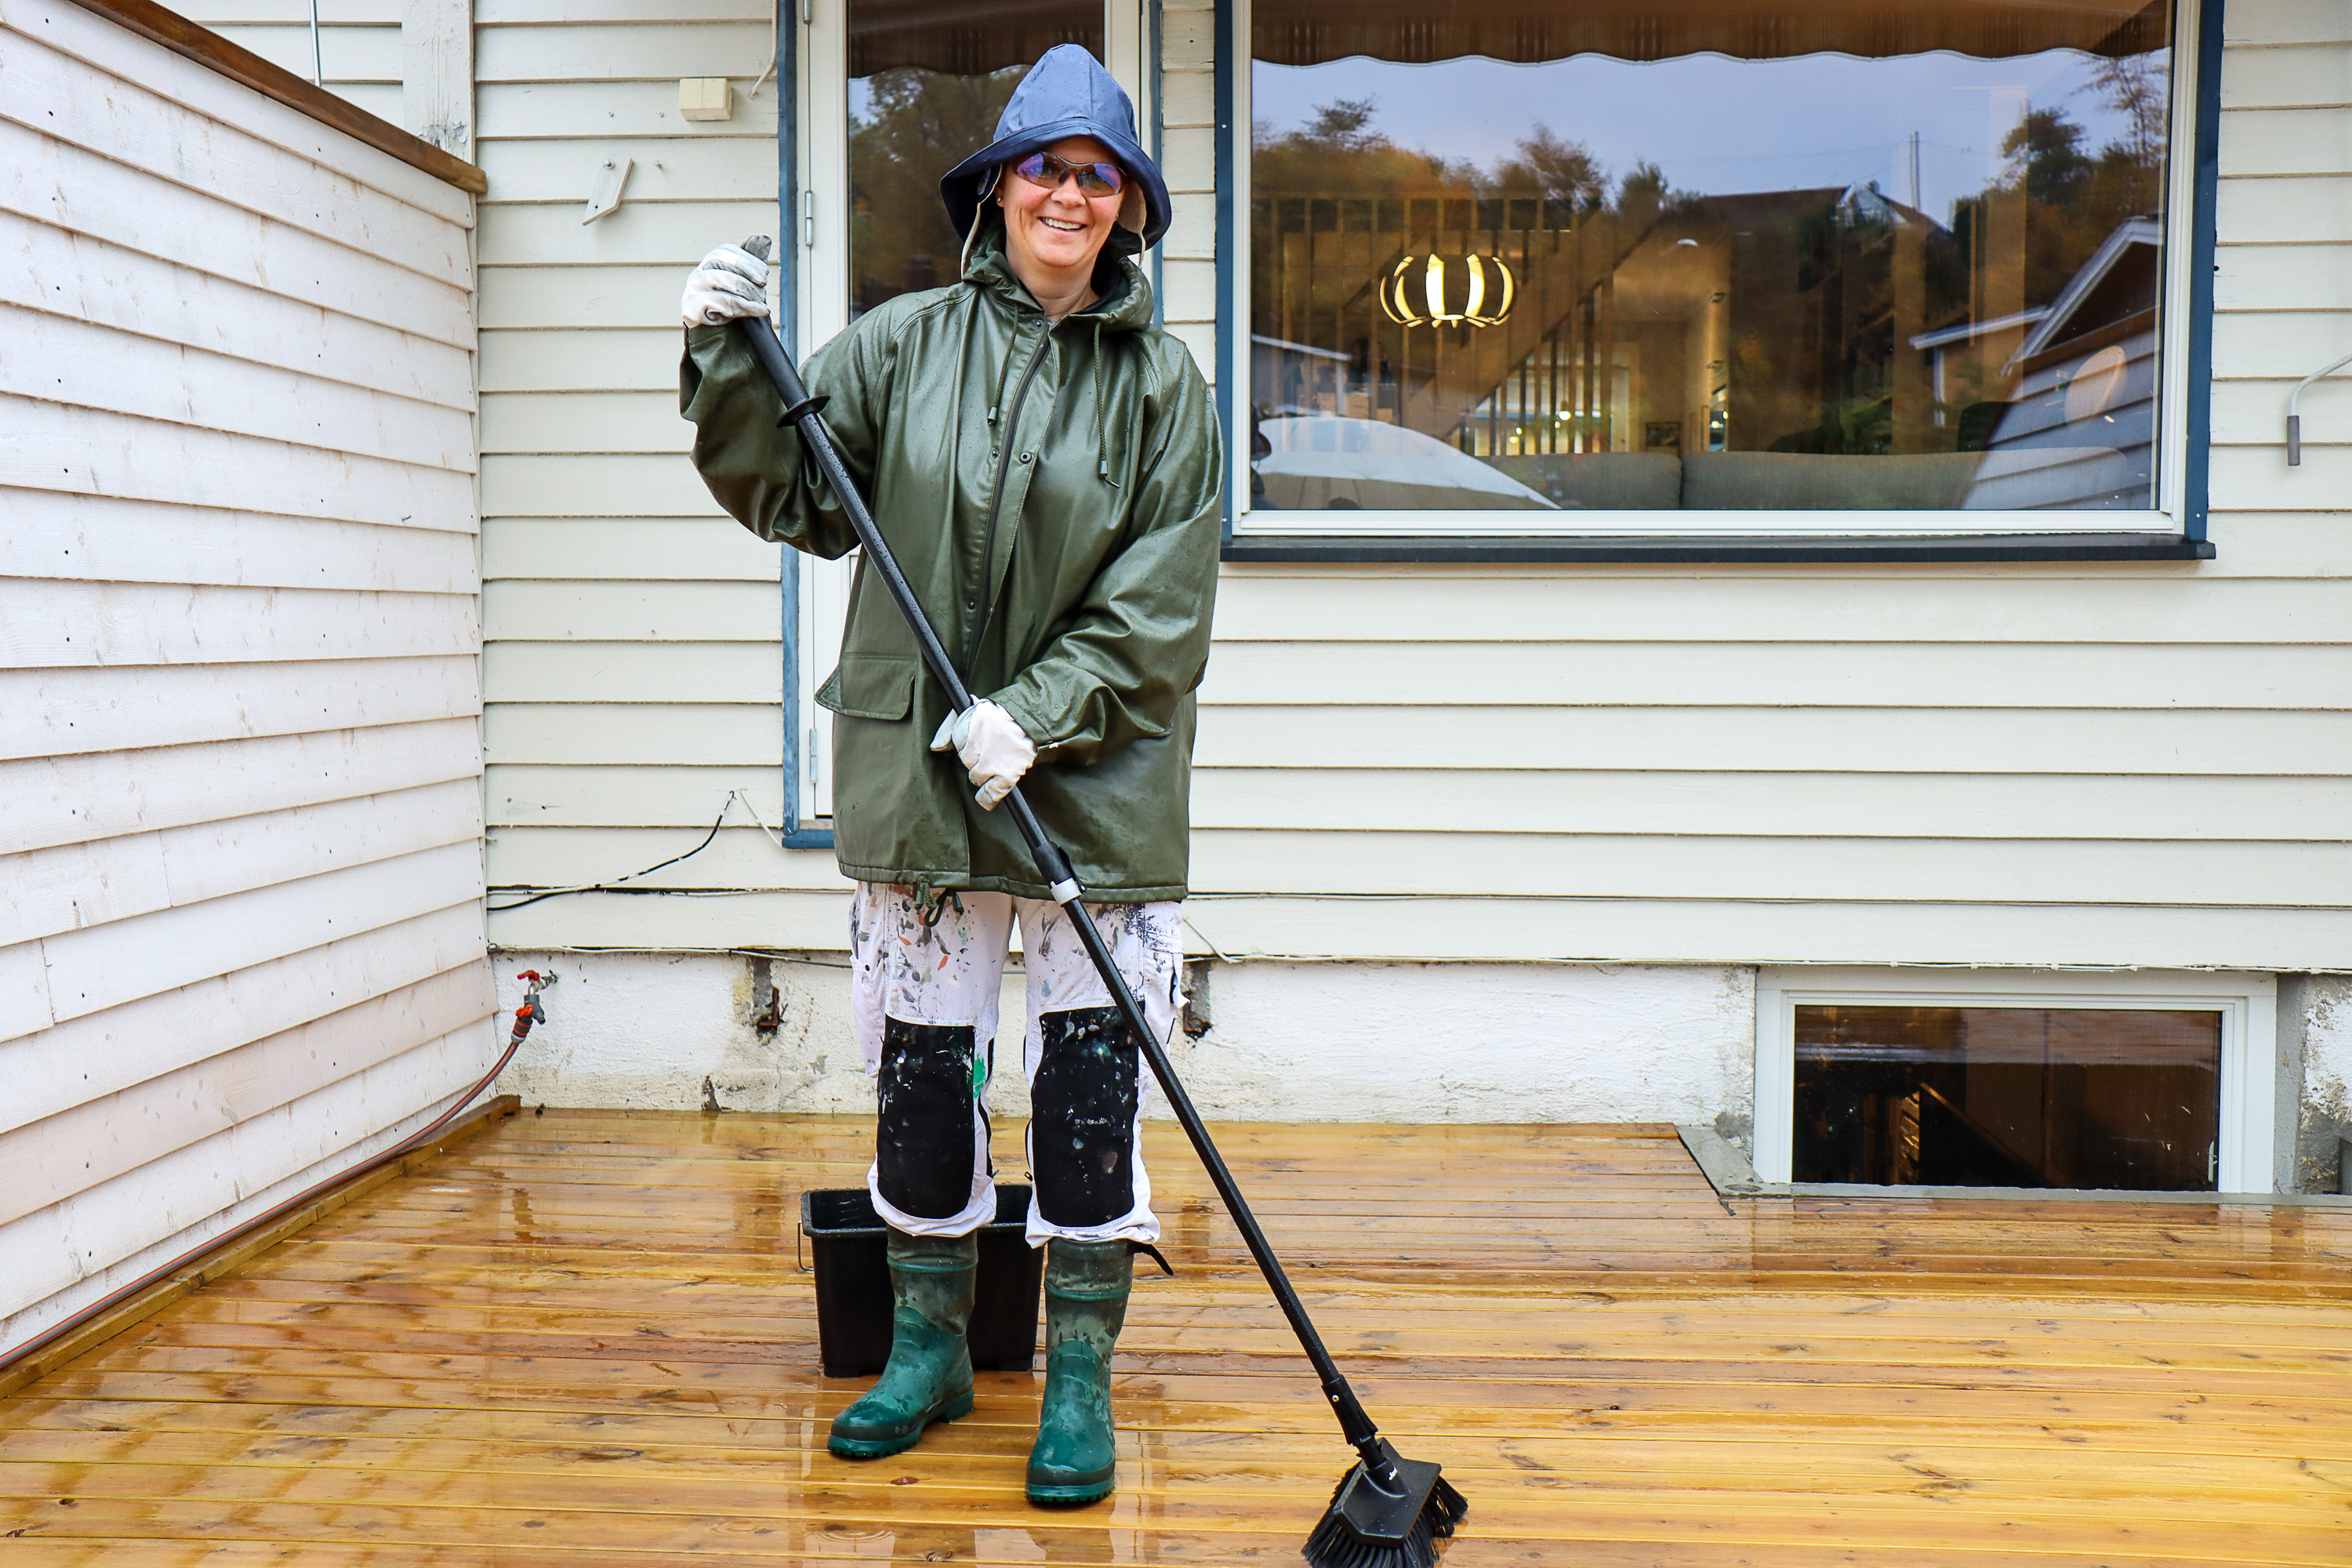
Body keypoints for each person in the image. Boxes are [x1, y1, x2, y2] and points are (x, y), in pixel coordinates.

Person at [677, 45, 1221, 1507]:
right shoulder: (902, 344)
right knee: (925, 1081)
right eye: (1042, 166)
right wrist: (726, 356)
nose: (1067, 192)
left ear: (1127, 212)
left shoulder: (1165, 388)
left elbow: (1164, 600)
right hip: (925, 781)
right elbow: (792, 490)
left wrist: (1038, 715)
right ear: (997, 191)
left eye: (1095, 174)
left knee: (1093, 1089)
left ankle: (1081, 1385)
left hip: (1092, 788)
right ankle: (925, 1358)